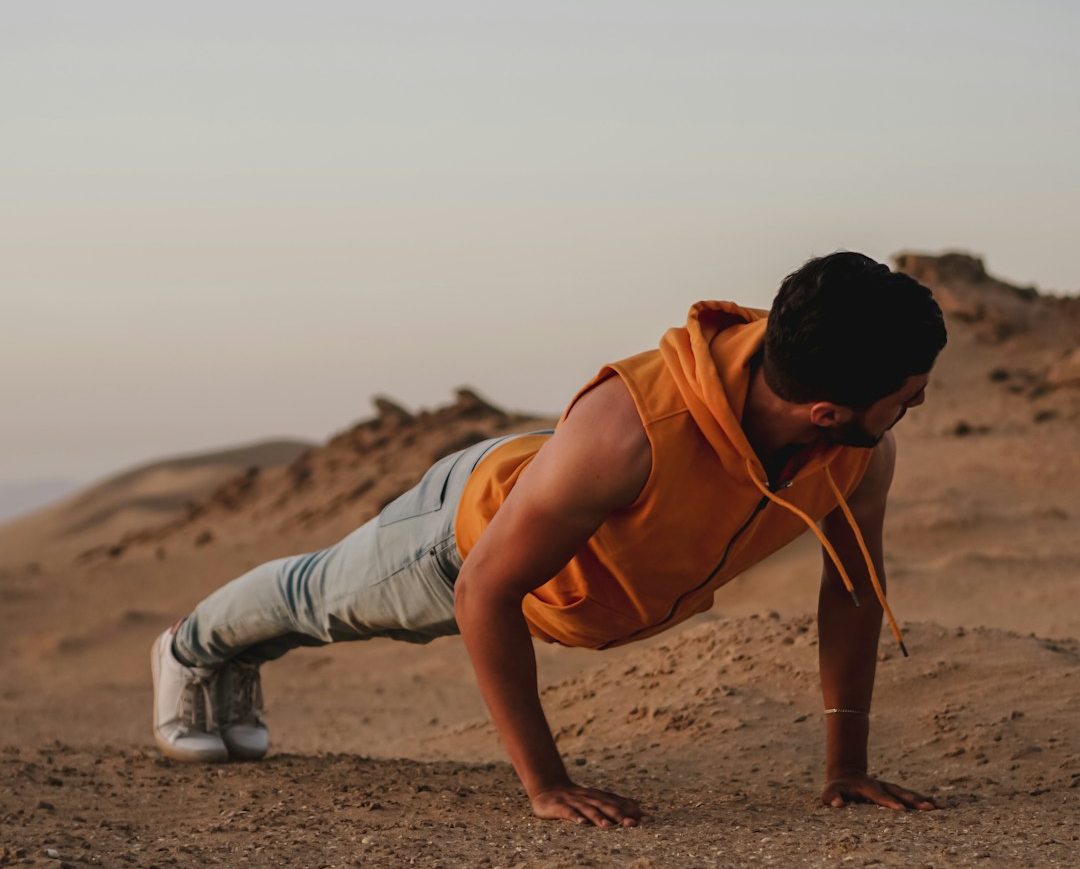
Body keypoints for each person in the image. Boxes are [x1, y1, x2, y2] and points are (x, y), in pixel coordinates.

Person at [151, 251, 947, 828]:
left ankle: (232, 656)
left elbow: (851, 587)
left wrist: (847, 767)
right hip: (465, 539)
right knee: (315, 600)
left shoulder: (855, 451)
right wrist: (546, 785)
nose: (917, 405)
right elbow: (484, 590)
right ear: (825, 411)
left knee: (315, 605)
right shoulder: (631, 433)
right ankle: (190, 650)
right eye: (907, 396)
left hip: (570, 502)